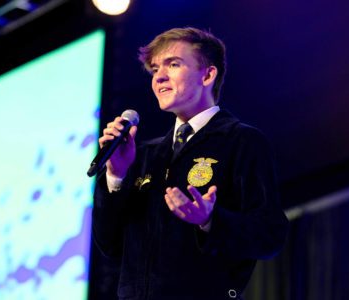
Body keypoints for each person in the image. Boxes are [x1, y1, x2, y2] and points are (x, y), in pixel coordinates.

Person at [92, 27, 289, 300]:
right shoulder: (145, 154)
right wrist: (116, 175)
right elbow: (109, 245)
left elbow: (270, 235)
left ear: (207, 75)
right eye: (154, 68)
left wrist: (209, 220)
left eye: (173, 64)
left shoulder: (240, 141)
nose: (159, 76)